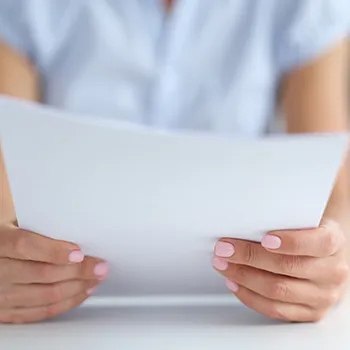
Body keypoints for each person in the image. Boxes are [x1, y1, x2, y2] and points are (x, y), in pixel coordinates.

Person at [0, 0, 350, 324]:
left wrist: (329, 254)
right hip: (60, 318)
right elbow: (4, 176)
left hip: (239, 317)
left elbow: (331, 185)